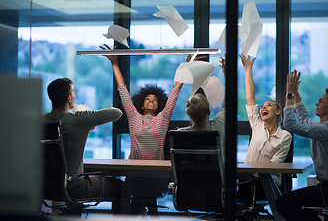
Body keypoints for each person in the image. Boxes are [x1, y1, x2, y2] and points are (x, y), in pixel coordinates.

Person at [102, 44, 205, 214]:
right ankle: (152, 214)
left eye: (155, 99)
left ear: (159, 106)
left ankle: (139, 214)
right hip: (135, 171)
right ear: (141, 105)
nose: (151, 100)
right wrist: (114, 63)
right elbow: (123, 91)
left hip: (156, 173)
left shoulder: (162, 119)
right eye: (148, 99)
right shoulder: (134, 117)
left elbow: (175, 92)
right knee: (142, 187)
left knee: (140, 190)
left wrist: (186, 66)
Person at [44, 78, 130, 214]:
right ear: (68, 98)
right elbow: (117, 113)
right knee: (123, 188)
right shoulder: (79, 119)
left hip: (46, 186)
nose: (74, 96)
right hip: (75, 186)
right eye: (73, 93)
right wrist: (90, 118)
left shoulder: (40, 120)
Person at [275, 69, 328, 221]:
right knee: (293, 205)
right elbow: (303, 118)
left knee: (282, 203)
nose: (317, 103)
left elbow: (289, 123)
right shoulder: (326, 128)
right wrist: (295, 92)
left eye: (321, 101)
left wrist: (289, 95)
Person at [238, 54, 292, 210]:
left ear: (277, 112)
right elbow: (250, 97)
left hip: (269, 181)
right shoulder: (256, 124)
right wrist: (248, 70)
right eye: (262, 106)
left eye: (268, 105)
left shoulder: (285, 136)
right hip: (248, 178)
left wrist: (251, 165)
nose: (263, 107)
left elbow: (274, 164)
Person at [177, 56, 226, 159]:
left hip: (189, 175)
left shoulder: (180, 135)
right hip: (216, 175)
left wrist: (188, 67)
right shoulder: (218, 128)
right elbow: (229, 99)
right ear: (208, 111)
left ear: (188, 113)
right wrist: (227, 74)